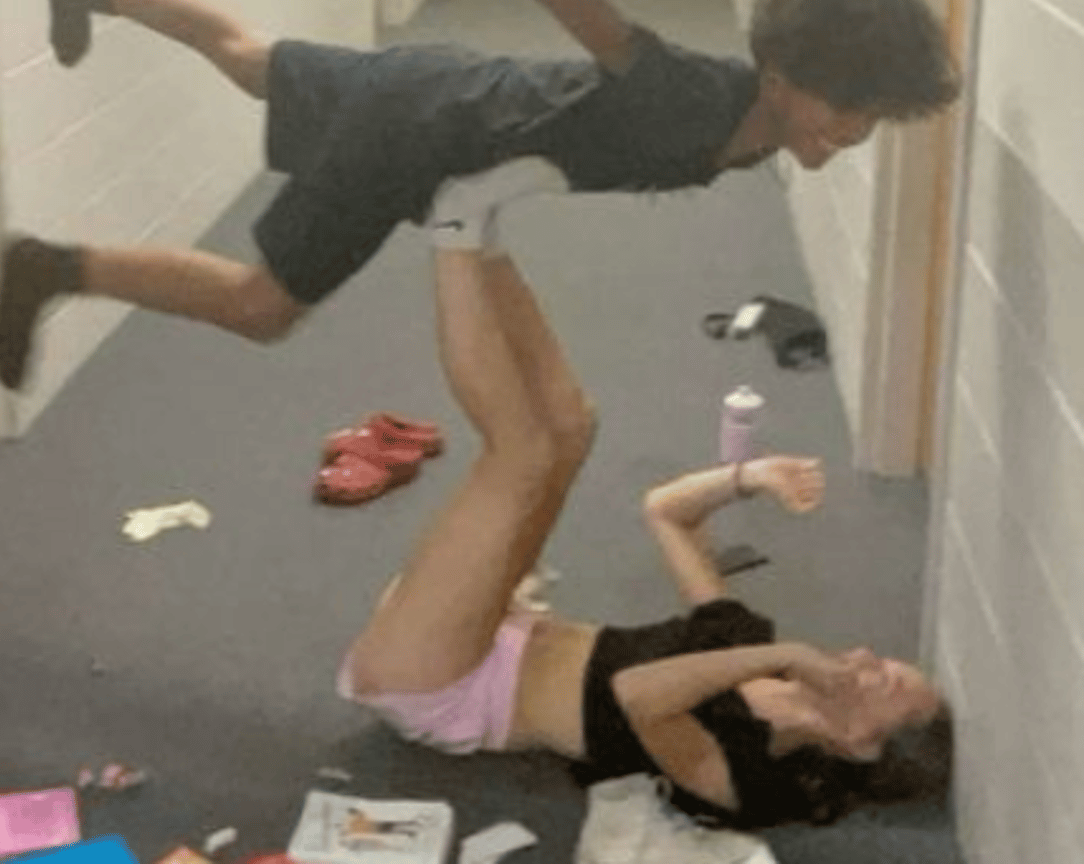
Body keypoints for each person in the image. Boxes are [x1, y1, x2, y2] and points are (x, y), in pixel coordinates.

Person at [0, 0, 959, 390]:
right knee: (261, 307)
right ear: (779, 75)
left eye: (872, 117)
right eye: (845, 108)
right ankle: (55, 266)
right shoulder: (691, 99)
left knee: (249, 60)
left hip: (439, 83)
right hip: (415, 136)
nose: (851, 133)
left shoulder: (761, 126)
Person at [337, 186, 951, 831]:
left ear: (860, 744)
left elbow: (638, 696)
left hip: (441, 682)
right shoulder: (748, 643)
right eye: (884, 661)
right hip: (501, 626)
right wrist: (747, 476)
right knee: (574, 426)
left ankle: (453, 233)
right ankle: (482, 232)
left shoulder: (753, 775)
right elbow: (667, 513)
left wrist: (784, 659)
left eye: (886, 684)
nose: (864, 657)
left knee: (520, 455)